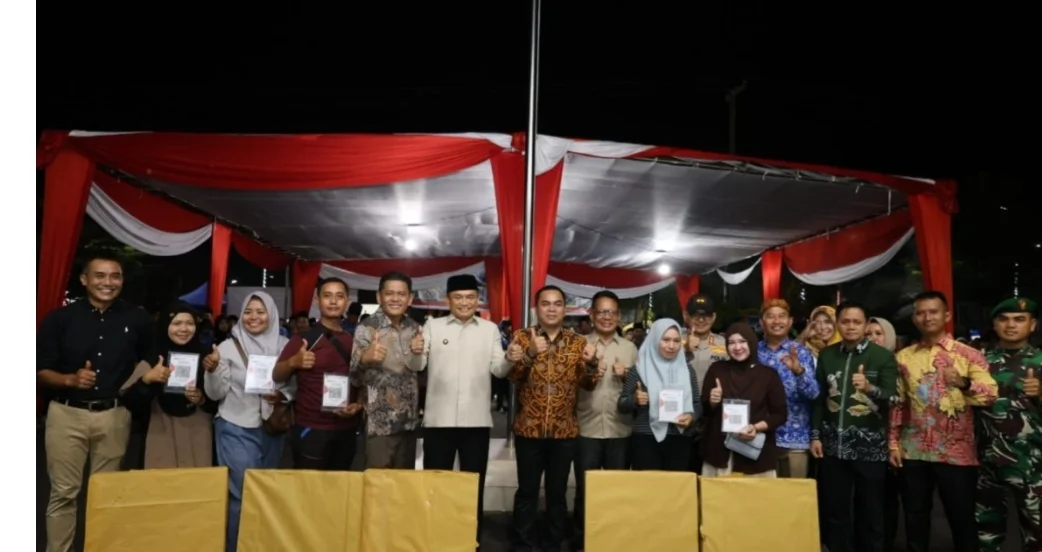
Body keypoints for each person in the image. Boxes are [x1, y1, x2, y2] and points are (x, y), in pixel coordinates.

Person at [37, 254, 161, 552]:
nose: (108, 282)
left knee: (107, 494)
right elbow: (40, 370)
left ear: (122, 280)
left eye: (115, 276)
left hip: (114, 415)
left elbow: (151, 358)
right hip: (66, 415)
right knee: (64, 493)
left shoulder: (137, 319)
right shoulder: (60, 319)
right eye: (100, 275)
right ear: (84, 279)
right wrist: (69, 380)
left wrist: (135, 385)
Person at [889, 291, 998, 552]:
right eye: (921, 312)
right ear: (915, 318)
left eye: (933, 311)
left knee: (961, 518)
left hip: (956, 452)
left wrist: (962, 382)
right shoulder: (904, 358)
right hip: (913, 449)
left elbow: (991, 395)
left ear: (946, 315)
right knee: (915, 517)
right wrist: (893, 443)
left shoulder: (968, 355)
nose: (927, 317)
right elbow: (898, 403)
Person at [504, 285, 599, 552]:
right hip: (529, 430)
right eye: (546, 304)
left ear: (565, 309)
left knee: (557, 495)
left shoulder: (578, 342)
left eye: (557, 303)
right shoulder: (523, 338)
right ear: (537, 308)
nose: (552, 308)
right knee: (527, 492)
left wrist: (592, 364)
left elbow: (589, 385)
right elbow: (513, 378)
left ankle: (553, 543)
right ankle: (522, 543)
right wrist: (531, 353)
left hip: (564, 432)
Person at [419, 274, 512, 542]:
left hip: (476, 423)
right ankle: (435, 535)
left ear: (477, 299)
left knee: (473, 484)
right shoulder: (432, 328)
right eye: (458, 297)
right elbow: (418, 365)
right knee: (436, 483)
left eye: (470, 297)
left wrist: (509, 357)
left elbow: (499, 369)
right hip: (438, 422)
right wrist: (415, 352)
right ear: (448, 300)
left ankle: (471, 536)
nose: (464, 302)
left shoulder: (489, 329)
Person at [205, 291, 295, 552]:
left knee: (264, 492)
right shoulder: (227, 347)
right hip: (236, 425)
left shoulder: (284, 346)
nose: (253, 317)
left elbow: (294, 385)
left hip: (272, 427)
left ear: (272, 314)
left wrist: (282, 394)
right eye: (248, 311)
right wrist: (211, 371)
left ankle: (259, 544)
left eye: (260, 311)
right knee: (241, 493)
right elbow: (215, 394)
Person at [810, 302, 898, 552]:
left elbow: (894, 398)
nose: (850, 326)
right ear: (838, 323)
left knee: (870, 512)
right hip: (832, 447)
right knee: (835, 510)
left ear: (865, 324)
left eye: (856, 322)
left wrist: (870, 389)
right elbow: (819, 399)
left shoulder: (882, 356)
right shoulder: (827, 355)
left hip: (869, 448)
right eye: (845, 321)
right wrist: (815, 435)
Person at [273, 277, 364, 470]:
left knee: (341, 489)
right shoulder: (304, 339)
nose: (333, 301)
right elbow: (276, 375)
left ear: (347, 302)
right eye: (327, 296)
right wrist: (293, 361)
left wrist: (358, 405)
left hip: (346, 429)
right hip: (311, 428)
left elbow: (359, 380)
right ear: (317, 300)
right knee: (309, 490)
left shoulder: (354, 340)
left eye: (339, 296)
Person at [572, 290, 638, 548]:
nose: (607, 317)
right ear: (592, 314)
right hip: (586, 428)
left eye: (611, 312)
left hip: (620, 430)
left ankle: (613, 540)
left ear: (619, 316)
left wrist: (627, 377)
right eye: (601, 311)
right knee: (585, 490)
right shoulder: (580, 346)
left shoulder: (631, 348)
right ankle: (582, 541)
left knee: (616, 490)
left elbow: (641, 390)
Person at [975, 297, 1041, 552]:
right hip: (988, 464)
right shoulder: (979, 363)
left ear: (1032, 325)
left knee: (1037, 533)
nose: (1010, 325)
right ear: (995, 324)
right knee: (987, 534)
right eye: (1004, 319)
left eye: (1019, 319)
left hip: (1033, 466)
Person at [130, 302, 220, 468]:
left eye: (190, 323)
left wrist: (202, 399)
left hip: (198, 434)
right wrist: (147, 380)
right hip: (160, 432)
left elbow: (219, 400)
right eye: (177, 323)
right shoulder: (153, 358)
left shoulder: (207, 357)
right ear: (165, 325)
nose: (184, 329)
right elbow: (130, 402)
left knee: (197, 488)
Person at [350, 272, 424, 469]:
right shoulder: (367, 328)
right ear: (379, 297)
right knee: (378, 485)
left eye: (401, 294)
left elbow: (419, 371)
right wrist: (365, 358)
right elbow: (354, 378)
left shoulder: (415, 328)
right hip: (379, 424)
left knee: (403, 487)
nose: (395, 298)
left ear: (410, 298)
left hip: (408, 423)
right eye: (389, 293)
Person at [700, 322, 788, 477]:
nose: (737, 347)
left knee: (754, 500)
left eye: (742, 341)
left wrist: (755, 427)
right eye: (731, 342)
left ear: (752, 343)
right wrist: (713, 400)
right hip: (720, 453)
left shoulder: (768, 375)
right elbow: (705, 411)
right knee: (717, 500)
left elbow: (780, 415)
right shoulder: (717, 369)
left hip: (755, 456)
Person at [618, 318, 701, 470]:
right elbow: (622, 404)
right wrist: (635, 400)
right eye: (666, 340)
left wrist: (691, 417)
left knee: (676, 490)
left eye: (676, 341)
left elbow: (697, 404)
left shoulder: (687, 370)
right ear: (655, 339)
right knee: (648, 490)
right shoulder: (639, 370)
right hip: (645, 439)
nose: (671, 346)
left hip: (680, 438)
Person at [758, 299, 819, 478]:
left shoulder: (802, 353)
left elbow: (814, 394)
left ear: (790, 321)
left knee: (795, 497)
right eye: (770, 317)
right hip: (760, 437)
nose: (776, 321)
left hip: (795, 439)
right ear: (762, 322)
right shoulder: (753, 352)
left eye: (782, 316)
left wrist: (799, 371)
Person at [681, 293, 727, 473]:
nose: (701, 320)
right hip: (681, 416)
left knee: (707, 470)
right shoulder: (673, 340)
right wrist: (683, 350)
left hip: (711, 417)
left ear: (714, 317)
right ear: (686, 316)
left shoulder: (723, 344)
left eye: (706, 315)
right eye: (695, 315)